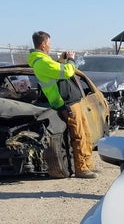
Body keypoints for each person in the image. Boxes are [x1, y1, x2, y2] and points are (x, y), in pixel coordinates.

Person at [27, 31, 97, 178]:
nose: (50, 46)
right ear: (43, 44)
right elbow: (66, 72)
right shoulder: (42, 62)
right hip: (65, 103)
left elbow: (57, 70)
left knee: (85, 133)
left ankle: (88, 164)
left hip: (72, 101)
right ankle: (81, 168)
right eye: (49, 43)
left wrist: (61, 60)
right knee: (78, 135)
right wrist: (71, 60)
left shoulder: (45, 61)